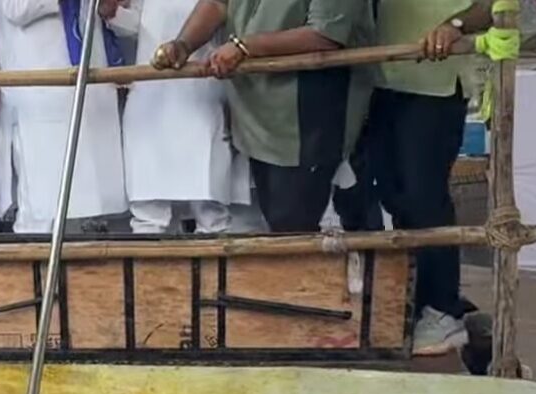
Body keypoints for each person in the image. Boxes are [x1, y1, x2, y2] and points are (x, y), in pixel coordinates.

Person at [154, 0, 376, 234]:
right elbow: (218, 3)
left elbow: (324, 35)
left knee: (293, 223)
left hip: (309, 112)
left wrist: (244, 47)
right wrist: (183, 44)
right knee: (278, 222)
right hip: (256, 112)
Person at [370, 0, 492, 355]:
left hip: (435, 84)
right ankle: (423, 299)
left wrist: (454, 25)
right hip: (383, 76)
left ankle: (443, 312)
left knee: (425, 197)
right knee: (395, 197)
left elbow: (494, 6)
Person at [108, 0, 250, 235]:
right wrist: (113, 14)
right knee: (148, 213)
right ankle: (149, 272)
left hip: (203, 93)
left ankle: (215, 271)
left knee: (211, 211)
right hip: (149, 97)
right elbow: (139, 26)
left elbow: (233, 21)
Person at [0, 0, 128, 233]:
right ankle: (39, 267)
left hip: (92, 93)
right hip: (43, 96)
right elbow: (16, 8)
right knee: (43, 210)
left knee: (94, 210)